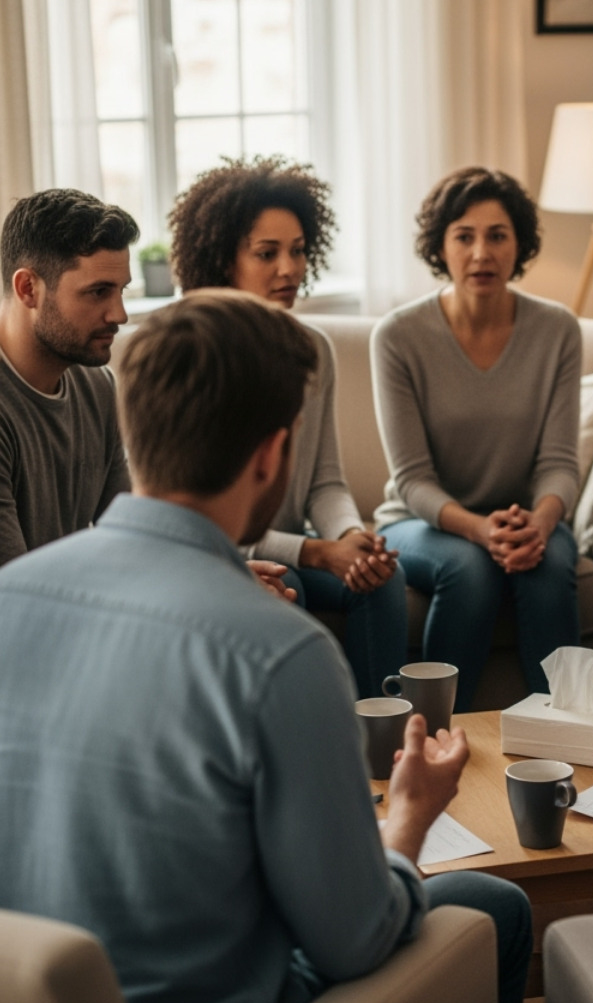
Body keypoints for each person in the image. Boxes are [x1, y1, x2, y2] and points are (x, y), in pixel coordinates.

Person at [0, 291, 532, 1003]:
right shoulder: (280, 652)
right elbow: (355, 941)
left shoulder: (3, 602)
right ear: (271, 453)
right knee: (496, 905)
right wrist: (409, 815)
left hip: (7, 1000)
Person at [170, 156, 405, 697]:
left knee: (382, 580)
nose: (289, 269)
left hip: (300, 545)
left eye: (298, 250)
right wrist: (320, 552)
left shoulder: (314, 351)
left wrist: (350, 538)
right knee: (288, 584)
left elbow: (325, 481)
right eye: (267, 253)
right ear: (223, 260)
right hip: (228, 556)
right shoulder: (193, 356)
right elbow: (203, 517)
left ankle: (386, 753)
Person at [372, 167, 580, 707]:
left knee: (551, 562)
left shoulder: (557, 330)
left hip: (521, 519)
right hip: (421, 522)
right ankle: (434, 734)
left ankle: (565, 741)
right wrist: (480, 531)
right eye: (464, 236)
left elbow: (559, 461)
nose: (481, 253)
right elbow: (412, 480)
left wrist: (540, 522)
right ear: (441, 246)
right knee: (470, 568)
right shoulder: (397, 336)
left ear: (520, 245)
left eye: (497, 235)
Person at [0, 189, 137, 589]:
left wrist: (203, 581)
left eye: (122, 290)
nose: (119, 314)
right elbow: (11, 597)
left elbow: (128, 538)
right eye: (98, 292)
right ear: (28, 289)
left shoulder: (98, 385)